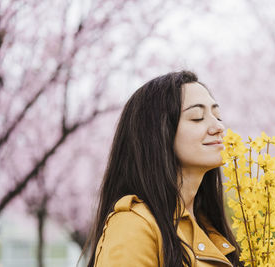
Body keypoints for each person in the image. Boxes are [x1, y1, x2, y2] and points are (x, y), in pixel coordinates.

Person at [81, 70, 242, 267]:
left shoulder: (209, 229)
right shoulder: (133, 225)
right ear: (158, 134)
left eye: (218, 116)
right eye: (197, 117)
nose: (218, 127)